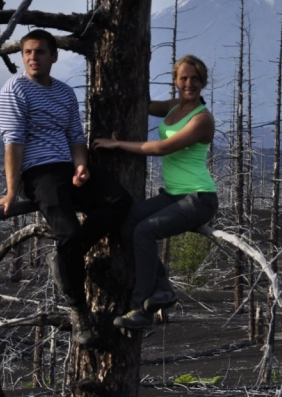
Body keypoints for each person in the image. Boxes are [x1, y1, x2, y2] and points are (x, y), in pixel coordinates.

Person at [0, 29, 132, 344]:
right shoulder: (14, 90)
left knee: (120, 200)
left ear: (54, 56)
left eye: (40, 52)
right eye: (27, 52)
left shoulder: (64, 93)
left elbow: (75, 137)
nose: (32, 57)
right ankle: (79, 312)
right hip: (38, 173)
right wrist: (12, 191)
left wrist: (81, 165)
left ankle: (66, 257)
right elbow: (13, 143)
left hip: (67, 168)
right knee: (68, 232)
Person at [92, 55, 219, 329]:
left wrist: (118, 145)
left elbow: (162, 148)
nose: (189, 84)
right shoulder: (175, 106)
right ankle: (162, 288)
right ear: (175, 80)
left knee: (145, 230)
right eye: (183, 78)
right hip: (174, 195)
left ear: (203, 82)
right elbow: (145, 105)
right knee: (127, 222)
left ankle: (141, 310)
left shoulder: (202, 119)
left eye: (195, 79)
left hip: (199, 198)